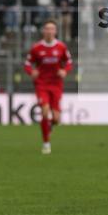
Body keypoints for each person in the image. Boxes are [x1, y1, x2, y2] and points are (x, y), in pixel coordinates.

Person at [24, 19, 72, 154]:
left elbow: (69, 62)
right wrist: (31, 72)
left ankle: (49, 125)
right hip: (42, 84)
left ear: (55, 31)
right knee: (45, 111)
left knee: (56, 118)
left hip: (56, 85)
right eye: (47, 29)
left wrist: (65, 71)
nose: (50, 31)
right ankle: (46, 143)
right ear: (43, 31)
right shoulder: (36, 48)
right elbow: (27, 63)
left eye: (52, 29)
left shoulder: (61, 47)